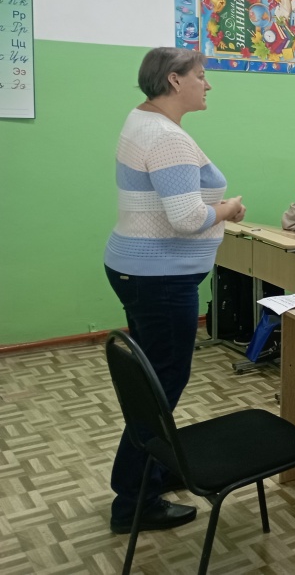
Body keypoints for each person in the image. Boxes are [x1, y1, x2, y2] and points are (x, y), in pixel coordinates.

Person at [104, 47, 245, 534]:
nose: (208, 84)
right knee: (162, 384)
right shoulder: (168, 138)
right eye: (201, 75)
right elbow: (186, 218)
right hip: (159, 279)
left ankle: (154, 470)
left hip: (135, 269)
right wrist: (228, 209)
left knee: (152, 380)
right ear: (174, 80)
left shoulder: (141, 119)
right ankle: (134, 501)